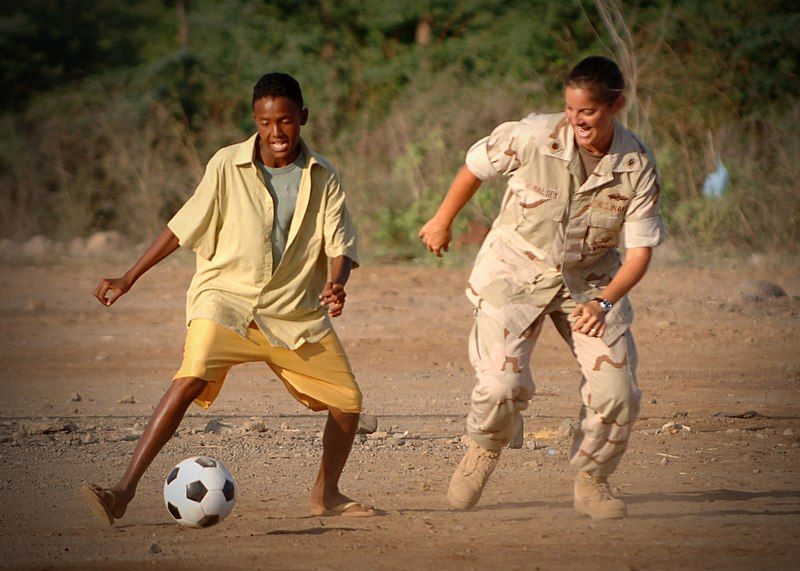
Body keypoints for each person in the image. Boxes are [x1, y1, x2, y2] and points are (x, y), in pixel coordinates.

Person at [80, 72, 376, 525]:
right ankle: (122, 490)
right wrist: (129, 277)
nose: (276, 133)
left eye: (285, 121)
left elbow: (340, 243)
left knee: (348, 402)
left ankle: (327, 494)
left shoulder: (324, 176)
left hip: (293, 311)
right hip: (226, 300)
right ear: (255, 121)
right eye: (265, 122)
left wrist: (337, 282)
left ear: (303, 118)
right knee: (191, 376)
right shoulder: (226, 164)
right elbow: (183, 225)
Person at [419, 56, 665, 519]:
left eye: (588, 112)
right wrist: (442, 219)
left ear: (616, 105)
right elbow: (476, 165)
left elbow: (639, 253)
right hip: (515, 274)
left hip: (591, 284)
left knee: (618, 393)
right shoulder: (532, 135)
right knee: (500, 387)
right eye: (571, 110)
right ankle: (485, 447)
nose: (576, 121)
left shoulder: (635, 165)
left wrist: (604, 299)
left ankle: (593, 479)